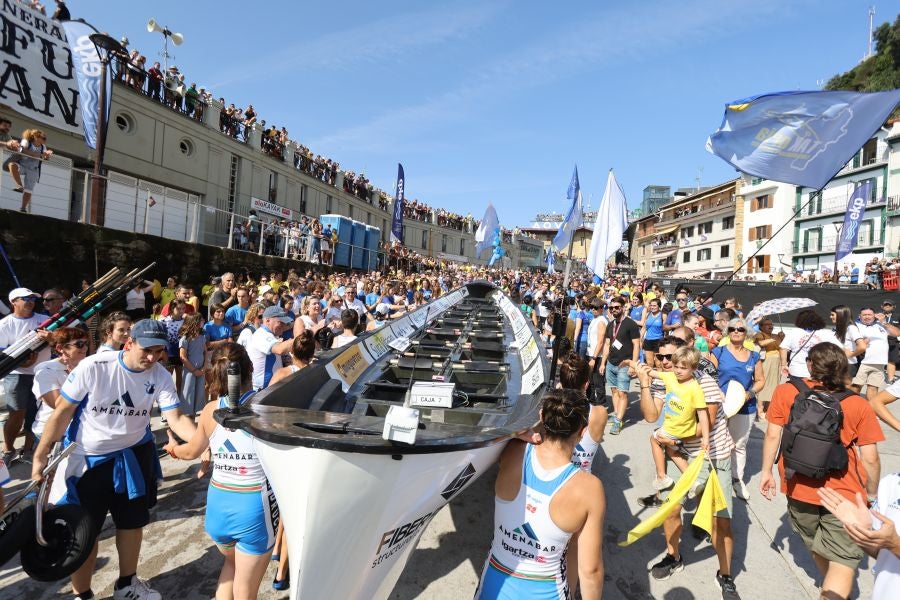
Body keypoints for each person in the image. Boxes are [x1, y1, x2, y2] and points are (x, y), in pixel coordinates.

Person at [32, 319, 198, 600]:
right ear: (128, 343)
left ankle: (126, 585)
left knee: (131, 523)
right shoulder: (95, 367)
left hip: (133, 455)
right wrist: (40, 456)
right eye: (146, 350)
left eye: (158, 351)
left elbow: (177, 418)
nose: (152, 357)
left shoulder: (160, 374)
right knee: (85, 532)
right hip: (87, 460)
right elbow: (62, 413)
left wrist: (202, 444)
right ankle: (81, 594)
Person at [760, 342, 884, 600]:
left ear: (809, 365)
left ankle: (831, 586)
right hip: (844, 492)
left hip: (798, 485)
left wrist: (766, 473)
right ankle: (835, 591)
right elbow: (870, 458)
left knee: (815, 543)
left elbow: (773, 436)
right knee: (842, 559)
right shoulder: (857, 403)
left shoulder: (786, 391)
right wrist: (871, 493)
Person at [164, 343, 277, 599]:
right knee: (246, 590)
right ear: (250, 368)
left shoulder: (209, 410)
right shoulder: (268, 408)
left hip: (217, 507)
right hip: (253, 508)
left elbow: (190, 452)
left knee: (231, 565)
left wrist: (172, 448)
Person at [475, 389, 605, 600]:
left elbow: (483, 430)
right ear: (582, 432)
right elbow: (590, 571)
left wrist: (517, 432)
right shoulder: (589, 488)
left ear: (542, 416)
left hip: (494, 586)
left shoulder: (512, 450)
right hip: (548, 591)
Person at [635, 336, 740, 597]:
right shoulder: (667, 380)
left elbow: (710, 421)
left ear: (686, 359)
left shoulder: (704, 383)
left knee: (720, 521)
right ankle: (674, 556)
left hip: (712, 455)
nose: (665, 362)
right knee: (670, 509)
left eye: (670, 358)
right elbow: (650, 416)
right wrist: (646, 384)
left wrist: (672, 439)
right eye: (660, 357)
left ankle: (725, 573)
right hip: (678, 451)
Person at [631, 346, 709, 491]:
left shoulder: (694, 388)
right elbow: (651, 371)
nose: (678, 371)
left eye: (683, 368)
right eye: (676, 366)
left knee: (654, 440)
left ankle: (662, 477)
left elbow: (703, 414)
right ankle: (693, 482)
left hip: (674, 429)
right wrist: (631, 363)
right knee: (673, 452)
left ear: (694, 368)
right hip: (685, 430)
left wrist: (706, 438)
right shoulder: (673, 377)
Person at [817, 474, 900, 600]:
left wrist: (894, 544)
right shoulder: (891, 482)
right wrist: (863, 532)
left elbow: (892, 545)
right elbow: (883, 554)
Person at [710, 318, 765, 501]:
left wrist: (750, 393)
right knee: (717, 442)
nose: (736, 331)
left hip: (745, 406)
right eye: (732, 328)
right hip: (720, 405)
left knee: (739, 445)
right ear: (727, 331)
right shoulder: (718, 352)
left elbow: (760, 380)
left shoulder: (754, 355)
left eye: (740, 329)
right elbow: (710, 377)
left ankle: (737, 479)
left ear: (746, 333)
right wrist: (718, 393)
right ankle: (714, 476)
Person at [0, 286, 50, 464]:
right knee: (17, 413)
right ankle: (8, 449)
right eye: (25, 298)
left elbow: (61, 340)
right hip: (16, 374)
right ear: (13, 302)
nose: (30, 302)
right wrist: (24, 362)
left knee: (35, 413)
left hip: (42, 373)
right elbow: (3, 353)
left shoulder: (45, 320)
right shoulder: (5, 324)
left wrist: (52, 338)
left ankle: (28, 450)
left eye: (32, 299)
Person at [31, 327, 89, 445]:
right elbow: (58, 404)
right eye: (79, 344)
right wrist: (75, 375)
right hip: (51, 432)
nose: (85, 348)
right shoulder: (46, 369)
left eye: (86, 343)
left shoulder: (88, 365)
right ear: (60, 348)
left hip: (79, 429)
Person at [599, 296, 640, 435]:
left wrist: (633, 365)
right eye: (611, 308)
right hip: (611, 363)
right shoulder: (610, 324)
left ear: (623, 307)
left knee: (622, 393)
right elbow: (606, 344)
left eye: (617, 307)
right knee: (615, 391)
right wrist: (603, 362)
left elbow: (636, 345)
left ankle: (618, 421)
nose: (614, 310)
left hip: (625, 363)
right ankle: (617, 414)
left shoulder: (631, 324)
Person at [779, 309, 841, 379]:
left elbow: (783, 348)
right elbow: (839, 348)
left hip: (796, 370)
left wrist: (783, 365)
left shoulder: (794, 332)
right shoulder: (824, 333)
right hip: (819, 370)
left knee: (797, 389)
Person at [248, 306, 296, 390]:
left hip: (271, 387)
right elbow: (279, 349)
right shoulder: (261, 334)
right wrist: (301, 338)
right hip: (262, 390)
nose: (284, 326)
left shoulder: (270, 334)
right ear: (267, 320)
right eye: (280, 322)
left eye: (284, 323)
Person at [7, 128, 53, 212]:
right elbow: (22, 150)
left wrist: (47, 155)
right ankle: (19, 185)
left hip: (33, 169)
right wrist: (39, 154)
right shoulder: (26, 141)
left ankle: (23, 208)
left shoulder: (43, 147)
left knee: (29, 190)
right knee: (12, 164)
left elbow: (45, 157)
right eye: (42, 138)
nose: (44, 140)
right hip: (23, 165)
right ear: (35, 137)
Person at [753, 318, 784, 419]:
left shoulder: (776, 335)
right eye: (767, 324)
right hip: (766, 361)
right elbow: (760, 343)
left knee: (774, 384)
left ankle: (768, 406)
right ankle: (760, 409)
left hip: (776, 361)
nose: (770, 326)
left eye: (771, 324)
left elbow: (782, 347)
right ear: (761, 326)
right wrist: (772, 339)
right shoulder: (759, 335)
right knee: (764, 383)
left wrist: (782, 338)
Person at [178, 313, 207, 417]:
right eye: (201, 320)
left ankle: (197, 410)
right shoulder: (185, 339)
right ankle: (186, 413)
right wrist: (194, 370)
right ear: (194, 322)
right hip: (190, 370)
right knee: (188, 390)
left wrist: (204, 367)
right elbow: (183, 357)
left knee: (200, 390)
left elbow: (205, 352)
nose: (203, 321)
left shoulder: (202, 337)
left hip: (201, 369)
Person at [641, 298, 664, 366]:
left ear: (659, 306)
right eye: (651, 305)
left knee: (658, 363)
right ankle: (649, 376)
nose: (652, 307)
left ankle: (659, 376)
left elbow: (665, 328)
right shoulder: (648, 314)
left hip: (658, 340)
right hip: (648, 340)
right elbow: (644, 327)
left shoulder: (662, 315)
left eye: (654, 305)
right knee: (649, 363)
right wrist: (640, 338)